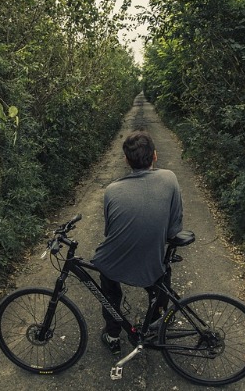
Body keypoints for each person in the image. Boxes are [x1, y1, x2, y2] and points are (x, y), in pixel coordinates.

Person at [91, 130, 184, 355]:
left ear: (126, 160)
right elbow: (174, 228)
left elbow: (110, 231)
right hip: (150, 263)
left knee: (109, 286)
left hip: (116, 261)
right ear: (155, 156)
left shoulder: (112, 190)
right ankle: (156, 321)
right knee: (161, 277)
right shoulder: (170, 178)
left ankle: (113, 333)